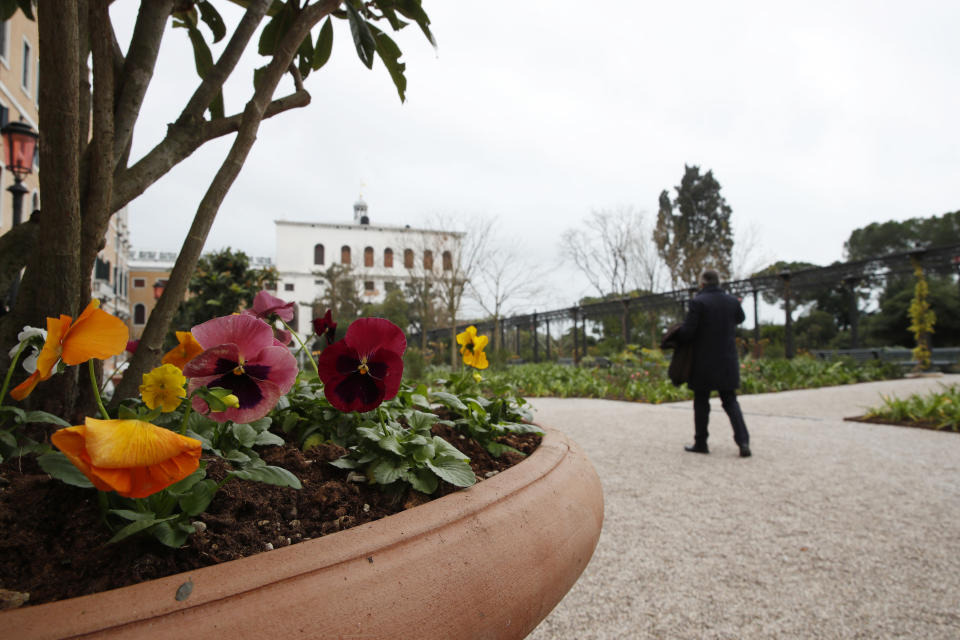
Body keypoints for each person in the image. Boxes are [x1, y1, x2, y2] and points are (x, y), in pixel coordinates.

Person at [674, 269, 751, 457]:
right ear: (718, 282)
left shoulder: (698, 302)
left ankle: (701, 442)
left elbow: (688, 332)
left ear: (703, 283)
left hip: (703, 360)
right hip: (726, 359)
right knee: (730, 401)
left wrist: (674, 335)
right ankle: (743, 442)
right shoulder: (732, 301)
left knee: (701, 401)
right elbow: (741, 318)